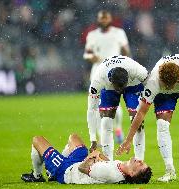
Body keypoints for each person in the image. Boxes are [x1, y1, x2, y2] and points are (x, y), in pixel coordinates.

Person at [117, 54, 179, 182]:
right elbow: (141, 113)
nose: (168, 87)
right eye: (164, 84)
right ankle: (169, 170)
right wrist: (128, 140)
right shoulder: (154, 81)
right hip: (164, 95)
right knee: (162, 126)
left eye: (170, 85)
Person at [21, 133, 152, 184]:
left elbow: (82, 168)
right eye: (143, 162)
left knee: (37, 140)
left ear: (133, 173)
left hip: (68, 171)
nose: (140, 161)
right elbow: (107, 162)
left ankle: (37, 176)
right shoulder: (121, 168)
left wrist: (91, 157)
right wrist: (98, 155)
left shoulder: (108, 173)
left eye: (141, 165)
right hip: (78, 162)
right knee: (74, 137)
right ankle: (51, 172)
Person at [83, 10, 131, 145]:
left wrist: (125, 61)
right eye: (101, 19)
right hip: (97, 72)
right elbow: (86, 54)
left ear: (110, 19)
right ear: (98, 20)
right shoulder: (92, 35)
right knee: (97, 104)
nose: (104, 20)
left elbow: (126, 50)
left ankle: (118, 128)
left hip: (114, 72)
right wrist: (91, 57)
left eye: (106, 18)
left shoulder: (118, 33)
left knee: (115, 102)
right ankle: (99, 136)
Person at [87, 55, 148, 161]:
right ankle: (108, 162)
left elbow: (151, 85)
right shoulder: (98, 79)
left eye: (122, 87)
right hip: (109, 89)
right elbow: (92, 109)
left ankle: (139, 162)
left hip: (133, 86)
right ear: (111, 80)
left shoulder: (137, 70)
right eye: (118, 88)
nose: (120, 91)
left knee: (138, 122)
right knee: (106, 121)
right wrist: (93, 138)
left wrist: (148, 100)